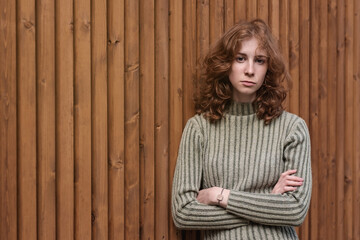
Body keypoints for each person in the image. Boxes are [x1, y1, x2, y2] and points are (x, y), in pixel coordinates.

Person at [171, 19, 312, 240]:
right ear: (225, 63)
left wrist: (220, 195)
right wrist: (268, 202)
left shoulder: (292, 128)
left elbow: (295, 210)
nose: (249, 70)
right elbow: (184, 213)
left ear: (268, 67)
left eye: (260, 60)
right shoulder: (199, 129)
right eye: (240, 58)